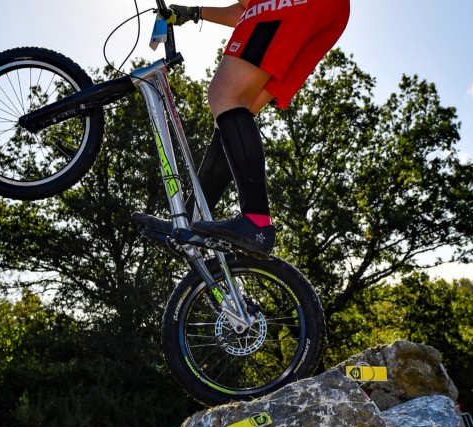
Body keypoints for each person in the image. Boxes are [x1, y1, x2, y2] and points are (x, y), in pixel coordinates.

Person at [145, 0, 350, 256]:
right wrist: (196, 13)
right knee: (231, 115)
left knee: (224, 96)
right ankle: (189, 223)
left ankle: (256, 221)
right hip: (321, 12)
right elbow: (245, 11)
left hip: (298, 6)